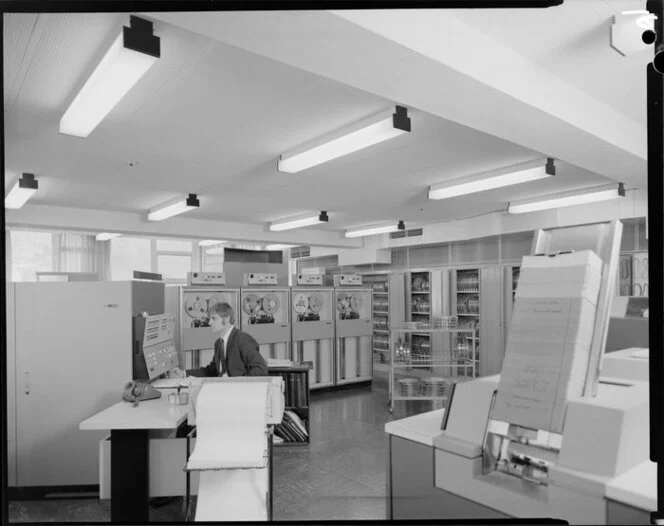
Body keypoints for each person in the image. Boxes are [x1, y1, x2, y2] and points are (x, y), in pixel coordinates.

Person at [186, 302, 267, 377]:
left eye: (214, 318)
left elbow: (260, 369)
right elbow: (212, 370)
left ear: (227, 318)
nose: (210, 322)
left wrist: (238, 384)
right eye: (210, 319)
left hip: (238, 389)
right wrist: (184, 373)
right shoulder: (218, 343)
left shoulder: (243, 339)